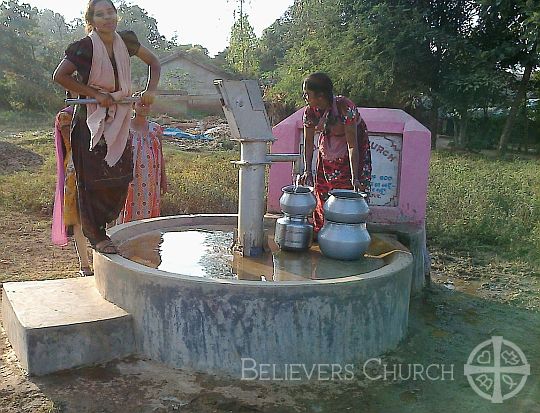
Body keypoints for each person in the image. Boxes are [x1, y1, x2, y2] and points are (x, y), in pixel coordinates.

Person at [52, 0, 160, 254]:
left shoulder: (128, 41)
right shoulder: (84, 48)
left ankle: (106, 226)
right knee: (90, 180)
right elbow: (60, 76)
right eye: (100, 14)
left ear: (117, 15)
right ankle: (96, 235)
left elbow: (154, 63)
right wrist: (93, 93)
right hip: (89, 120)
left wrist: (149, 91)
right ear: (92, 20)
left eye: (110, 12)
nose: (107, 18)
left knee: (121, 175)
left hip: (119, 118)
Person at [300, 72, 372, 234]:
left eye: (307, 94)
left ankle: (346, 234)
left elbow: (353, 145)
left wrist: (355, 177)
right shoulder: (310, 113)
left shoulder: (345, 107)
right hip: (328, 149)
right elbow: (309, 142)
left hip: (351, 153)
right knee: (322, 189)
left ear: (320, 95)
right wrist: (306, 170)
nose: (304, 97)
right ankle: (322, 231)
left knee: (345, 193)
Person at [51, 96, 92, 276]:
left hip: (95, 166)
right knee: (78, 218)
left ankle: (99, 261)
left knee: (101, 217)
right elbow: (74, 145)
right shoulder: (66, 117)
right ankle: (84, 264)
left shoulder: (95, 111)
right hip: (76, 168)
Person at [117, 99, 167, 223]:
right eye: (141, 104)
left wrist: (164, 180)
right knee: (128, 206)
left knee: (149, 210)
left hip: (151, 180)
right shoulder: (124, 127)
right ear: (133, 106)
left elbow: (160, 155)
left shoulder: (155, 129)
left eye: (147, 104)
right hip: (130, 179)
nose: (145, 107)